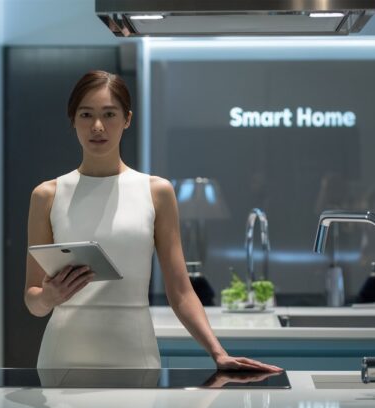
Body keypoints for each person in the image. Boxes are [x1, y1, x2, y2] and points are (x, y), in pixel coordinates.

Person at [24, 70, 281, 372]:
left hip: (135, 356)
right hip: (62, 357)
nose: (97, 126)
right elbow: (33, 298)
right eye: (86, 114)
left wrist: (218, 352)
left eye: (109, 114)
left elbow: (181, 292)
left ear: (127, 119)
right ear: (73, 120)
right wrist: (49, 298)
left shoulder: (156, 191)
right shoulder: (47, 195)